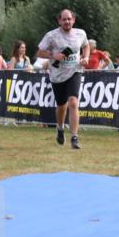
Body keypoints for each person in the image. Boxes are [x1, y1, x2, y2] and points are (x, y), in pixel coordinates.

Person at [37, 8, 90, 149]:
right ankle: (60, 128)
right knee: (61, 106)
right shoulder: (51, 36)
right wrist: (54, 56)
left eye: (69, 19)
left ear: (73, 20)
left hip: (75, 71)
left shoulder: (81, 33)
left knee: (73, 102)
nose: (67, 21)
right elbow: (39, 52)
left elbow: (86, 46)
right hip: (57, 75)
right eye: (64, 19)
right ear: (59, 21)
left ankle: (74, 137)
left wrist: (85, 57)